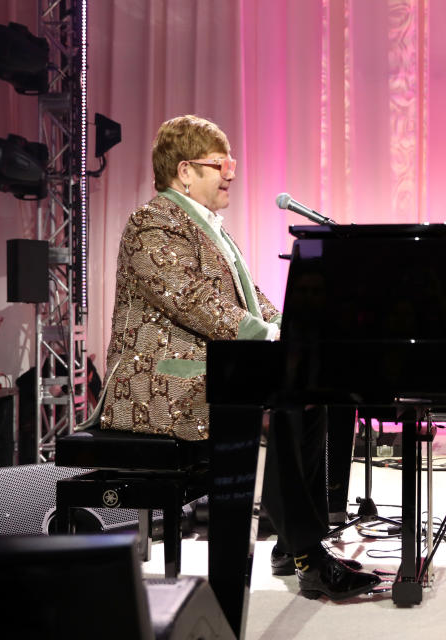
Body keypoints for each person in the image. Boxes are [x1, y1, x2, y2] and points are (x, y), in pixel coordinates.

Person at [93, 114, 379, 598]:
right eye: (219, 163)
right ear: (185, 171)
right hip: (159, 383)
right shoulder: (152, 223)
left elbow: (252, 302)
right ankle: (306, 549)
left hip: (208, 370)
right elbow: (193, 300)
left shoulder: (211, 230)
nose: (231, 171)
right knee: (280, 394)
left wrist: (298, 332)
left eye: (232, 162)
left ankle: (296, 540)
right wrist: (271, 336)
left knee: (316, 386)